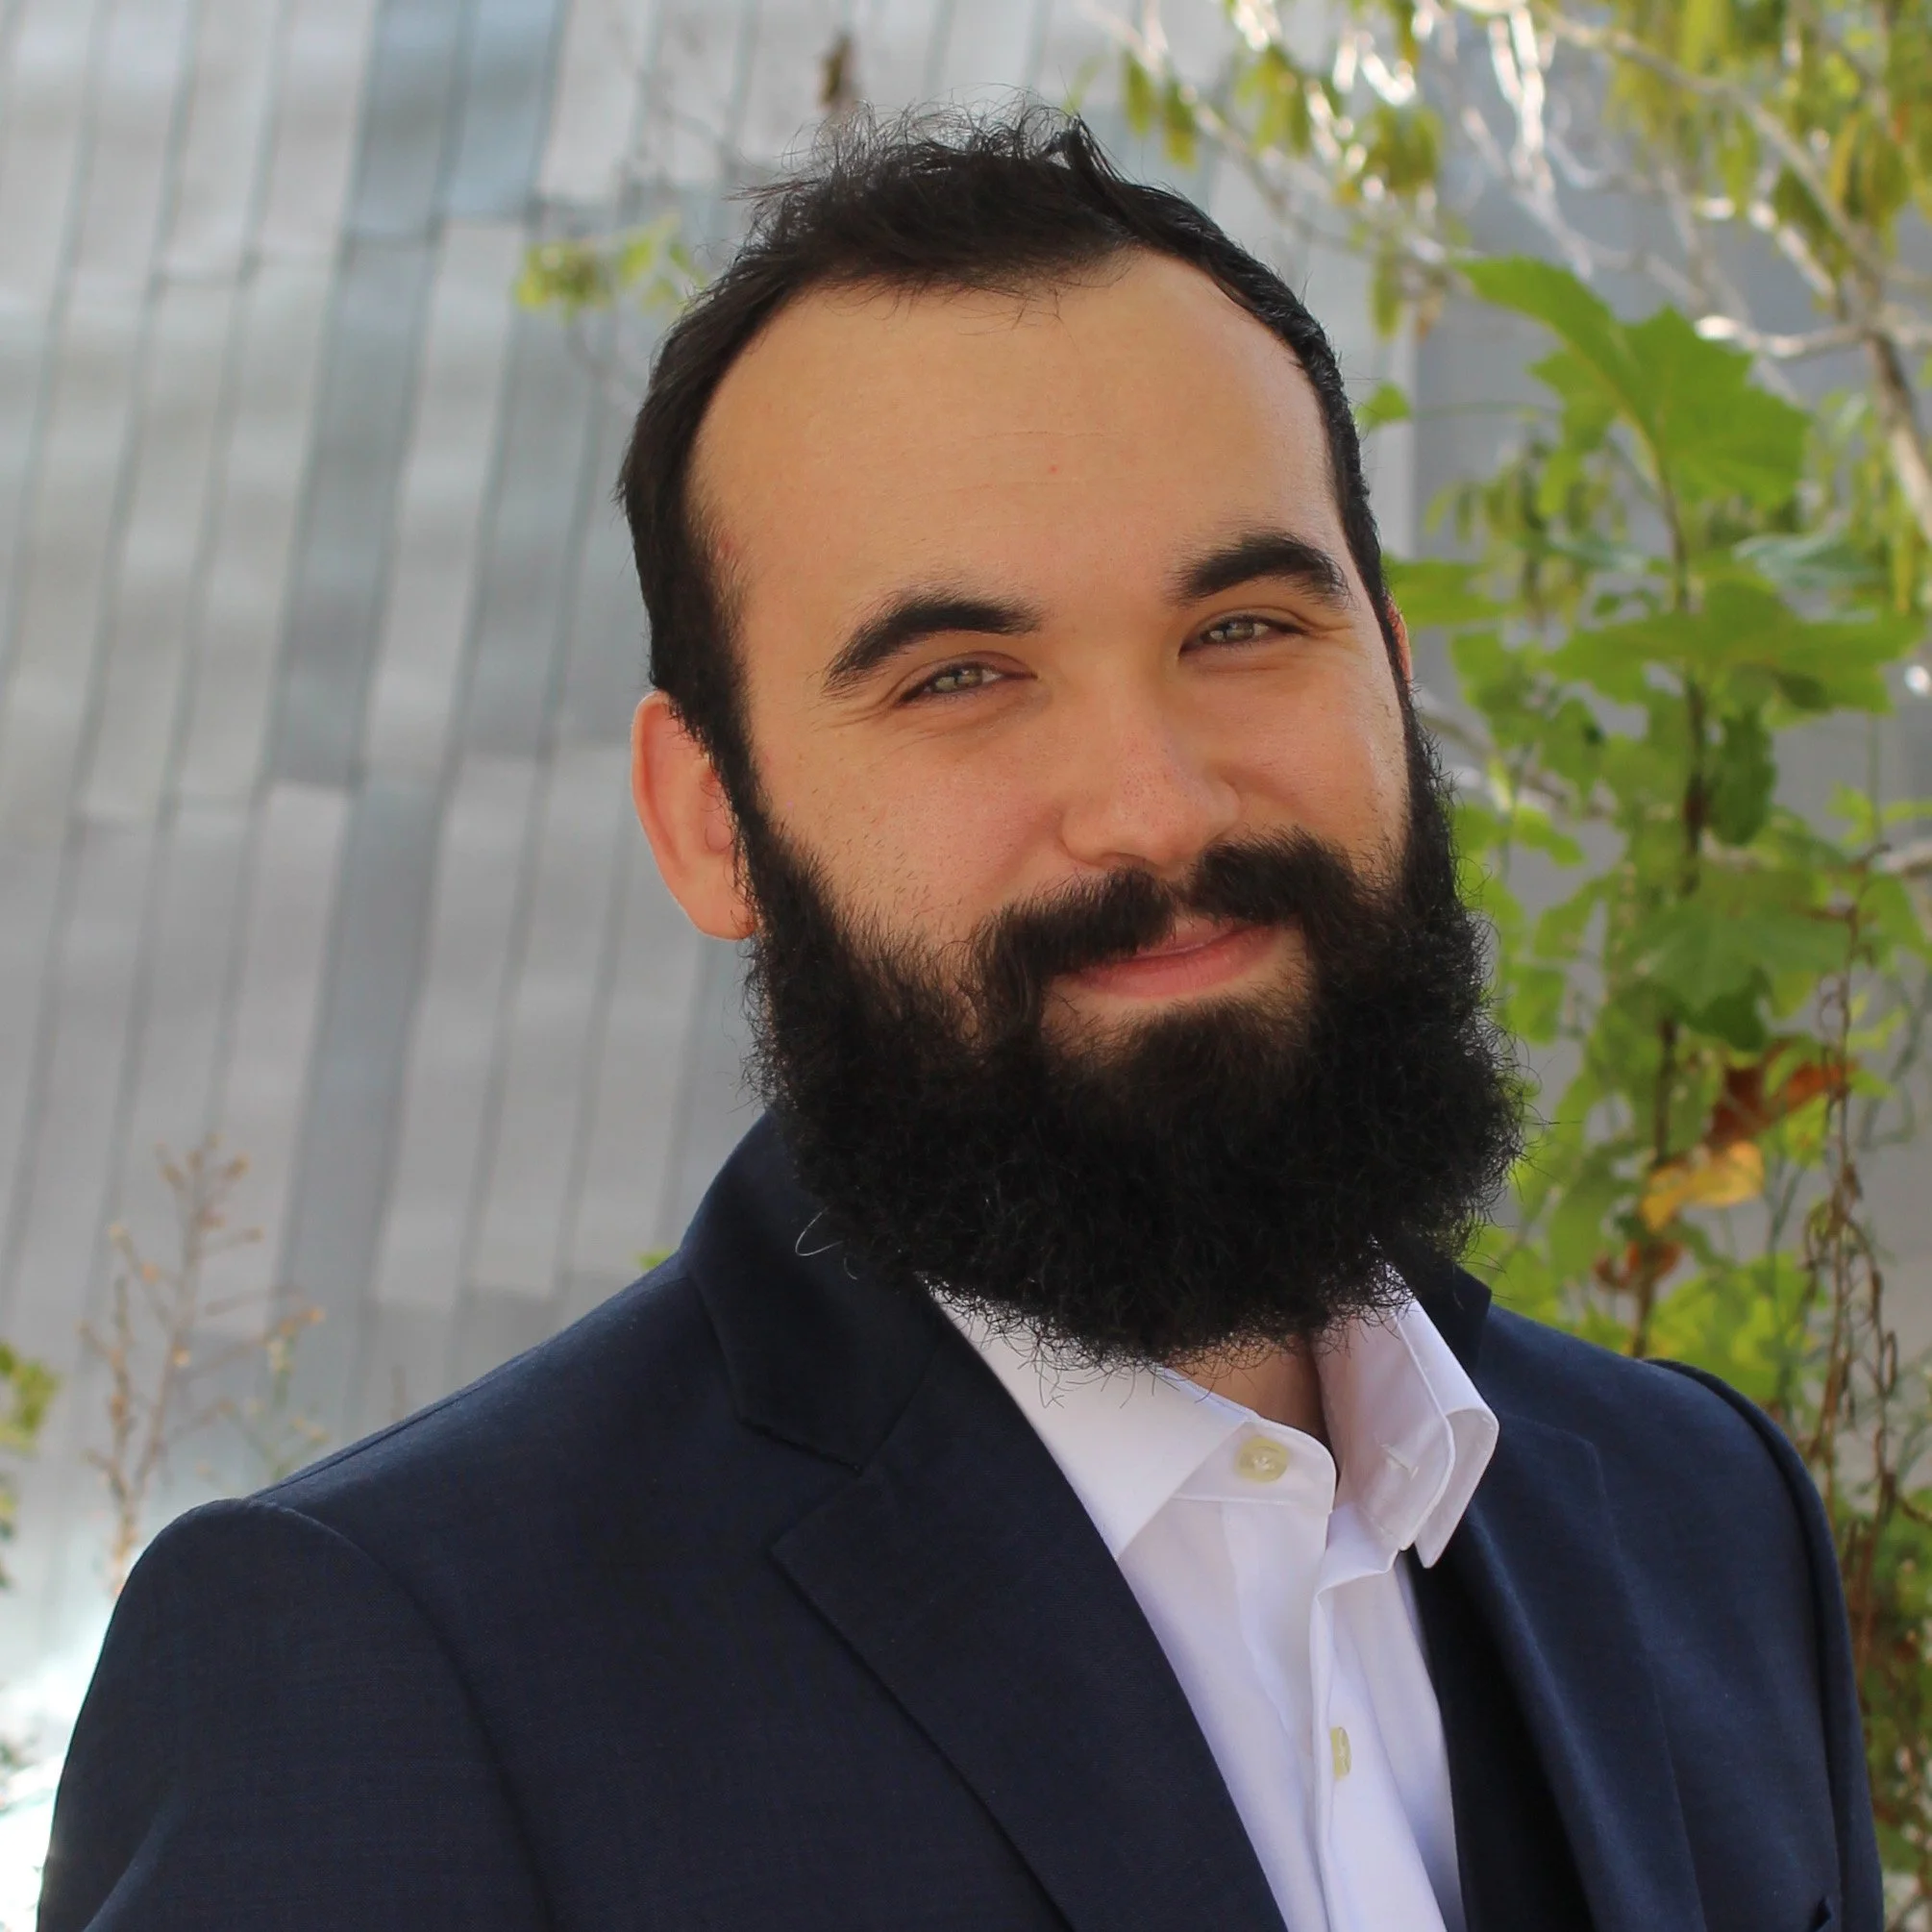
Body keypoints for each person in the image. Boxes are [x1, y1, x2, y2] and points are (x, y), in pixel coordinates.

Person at [41, 109, 1876, 1932]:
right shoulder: (380, 1666)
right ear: (709, 821)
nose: (1155, 808)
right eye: (961, 676)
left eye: (1240, 628)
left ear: (1393, 685)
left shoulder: (1698, 1521)